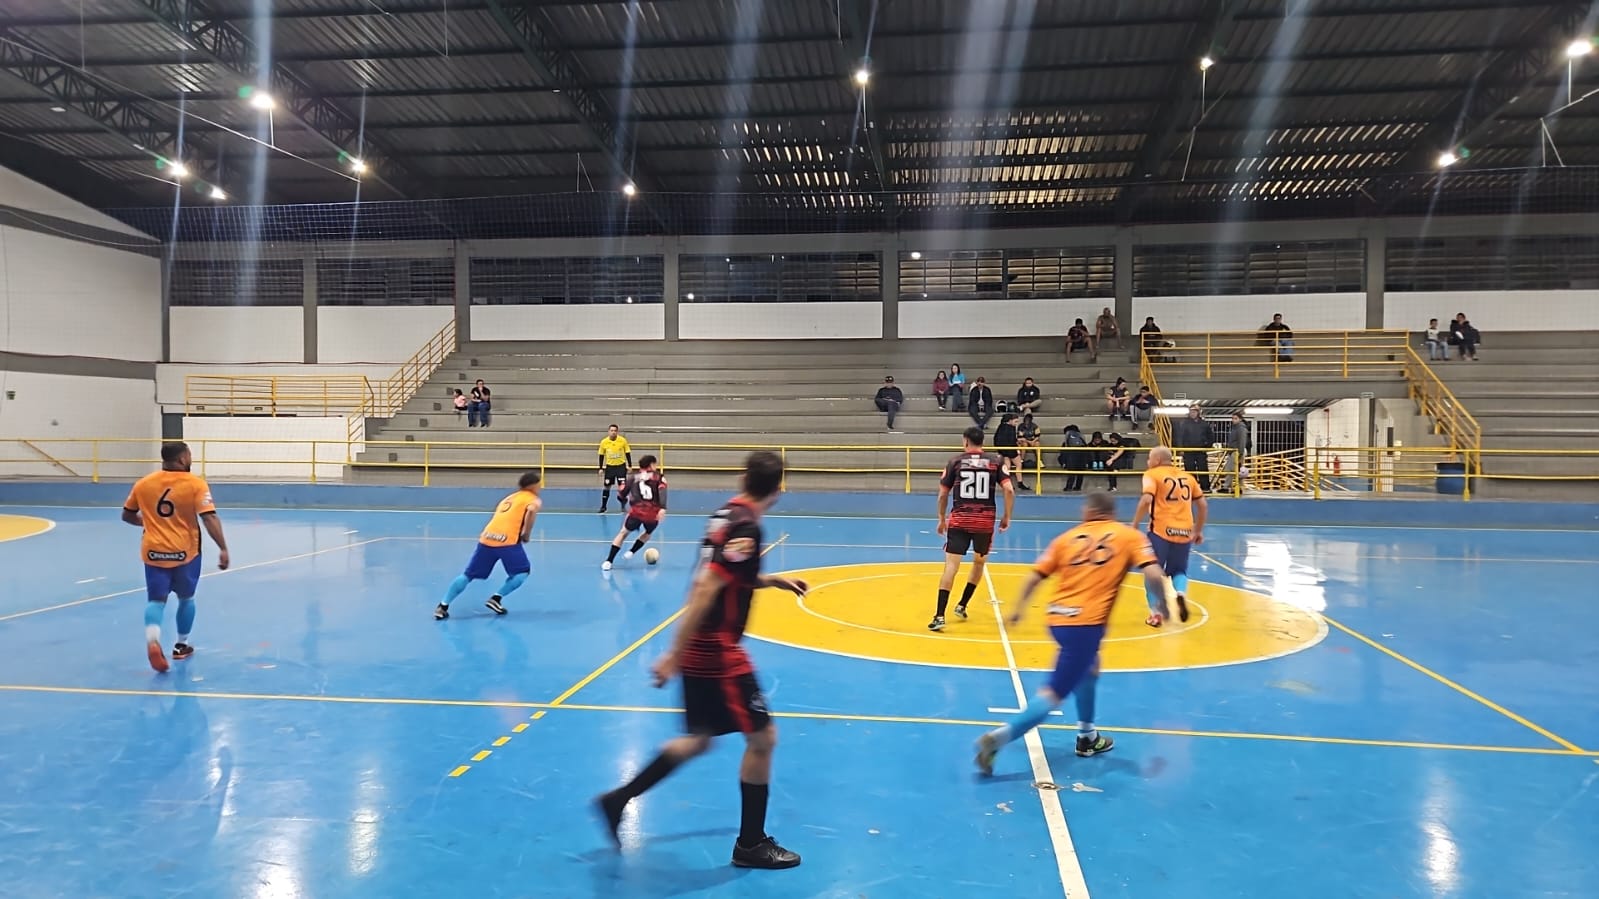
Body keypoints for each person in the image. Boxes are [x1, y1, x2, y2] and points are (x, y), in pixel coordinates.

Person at [596, 452, 807, 870]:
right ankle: (750, 843)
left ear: (744, 478)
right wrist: (673, 654)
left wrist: (771, 580)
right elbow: (707, 586)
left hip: (702, 645)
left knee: (699, 738)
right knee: (763, 738)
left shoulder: (725, 515)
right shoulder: (747, 527)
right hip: (716, 649)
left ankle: (618, 799)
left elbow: (727, 573)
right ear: (778, 490)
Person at [973, 491, 1170, 775]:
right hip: (1085, 625)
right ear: (1112, 512)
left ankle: (1087, 736)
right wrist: (1163, 604)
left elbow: (1035, 575)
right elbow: (1153, 574)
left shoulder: (1066, 538)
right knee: (1053, 694)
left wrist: (1019, 609)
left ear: (1088, 511)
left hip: (1058, 619)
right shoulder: (1129, 537)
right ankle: (997, 739)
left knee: (1090, 668)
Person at [121, 442, 230, 673]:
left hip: (153, 552)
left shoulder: (144, 484)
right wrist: (222, 547)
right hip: (185, 553)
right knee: (186, 598)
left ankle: (153, 641)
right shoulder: (195, 484)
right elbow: (209, 518)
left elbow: (127, 515)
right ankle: (181, 645)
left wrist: (150, 524)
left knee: (156, 601)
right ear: (182, 459)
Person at [930, 426, 1015, 631]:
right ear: (983, 441)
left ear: (965, 441)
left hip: (960, 520)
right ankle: (962, 605)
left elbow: (942, 495)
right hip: (984, 522)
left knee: (951, 567)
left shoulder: (955, 462)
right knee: (979, 562)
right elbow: (1009, 490)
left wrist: (941, 518)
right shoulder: (996, 462)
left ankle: (939, 616)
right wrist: (1006, 516)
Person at [434, 472, 542, 619]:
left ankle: (442, 606)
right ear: (534, 485)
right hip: (507, 541)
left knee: (468, 575)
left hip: (487, 537)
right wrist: (526, 533)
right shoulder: (532, 499)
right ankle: (496, 598)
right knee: (522, 572)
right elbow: (531, 510)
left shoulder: (509, 498)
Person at [1132, 446, 1208, 628]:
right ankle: (1180, 593)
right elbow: (1203, 505)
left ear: (1157, 460)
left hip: (1160, 531)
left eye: (1149, 458)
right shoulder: (1187, 477)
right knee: (1179, 570)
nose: (1148, 462)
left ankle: (1156, 614)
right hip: (1185, 532)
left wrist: (1134, 524)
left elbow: (1147, 499)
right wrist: (1198, 530)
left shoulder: (1152, 475)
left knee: (1152, 572)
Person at [603, 456, 667, 570]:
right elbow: (662, 491)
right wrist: (662, 508)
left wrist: (623, 498)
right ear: (651, 465)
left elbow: (621, 494)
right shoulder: (659, 477)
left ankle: (609, 561)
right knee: (648, 533)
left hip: (636, 512)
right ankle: (632, 551)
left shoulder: (633, 477)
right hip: (652, 513)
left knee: (623, 533)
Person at [597, 424, 633, 513]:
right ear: (608, 431)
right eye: (611, 430)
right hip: (610, 467)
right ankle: (603, 507)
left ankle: (623, 506)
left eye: (615, 431)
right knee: (607, 487)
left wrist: (630, 466)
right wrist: (600, 468)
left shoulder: (622, 441)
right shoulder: (604, 442)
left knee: (622, 488)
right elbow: (601, 455)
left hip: (621, 467)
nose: (613, 432)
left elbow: (627, 453)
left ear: (617, 432)